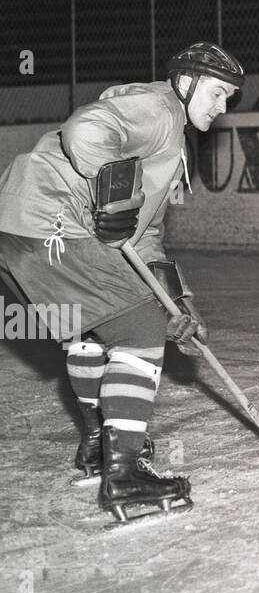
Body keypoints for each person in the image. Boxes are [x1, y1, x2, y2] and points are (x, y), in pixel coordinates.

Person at [0, 42, 244, 523]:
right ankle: (125, 474)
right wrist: (115, 194)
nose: (222, 108)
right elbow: (85, 130)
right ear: (188, 83)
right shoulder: (159, 109)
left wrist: (179, 303)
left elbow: (143, 235)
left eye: (229, 99)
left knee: (93, 329)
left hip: (18, 223)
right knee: (139, 332)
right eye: (217, 93)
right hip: (52, 222)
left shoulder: (171, 143)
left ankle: (98, 448)